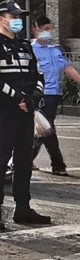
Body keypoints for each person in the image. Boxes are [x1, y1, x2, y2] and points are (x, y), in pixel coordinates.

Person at [0, 1, 51, 229]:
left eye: (19, 16)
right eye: (13, 15)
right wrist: (18, 97)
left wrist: (34, 96)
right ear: (1, 19)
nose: (17, 19)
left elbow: (37, 74)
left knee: (24, 161)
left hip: (25, 112)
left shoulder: (26, 47)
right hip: (4, 112)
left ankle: (23, 208)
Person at [32, 14, 80, 176]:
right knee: (46, 129)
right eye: (45, 29)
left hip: (54, 96)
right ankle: (57, 164)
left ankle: (25, 160)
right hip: (40, 96)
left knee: (42, 130)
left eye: (50, 29)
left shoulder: (55, 51)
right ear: (36, 30)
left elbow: (68, 69)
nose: (49, 32)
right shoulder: (31, 50)